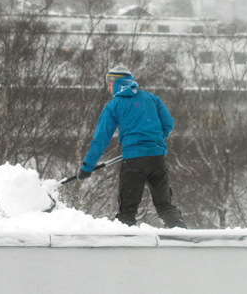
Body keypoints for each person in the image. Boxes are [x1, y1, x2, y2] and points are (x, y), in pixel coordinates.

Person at [77, 65, 187, 229]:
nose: (108, 89)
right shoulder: (151, 98)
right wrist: (152, 142)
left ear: (117, 83)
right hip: (157, 158)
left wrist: (87, 166)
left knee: (127, 210)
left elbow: (100, 139)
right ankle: (181, 235)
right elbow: (168, 123)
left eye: (109, 85)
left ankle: (124, 244)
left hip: (134, 161)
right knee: (164, 205)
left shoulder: (113, 105)